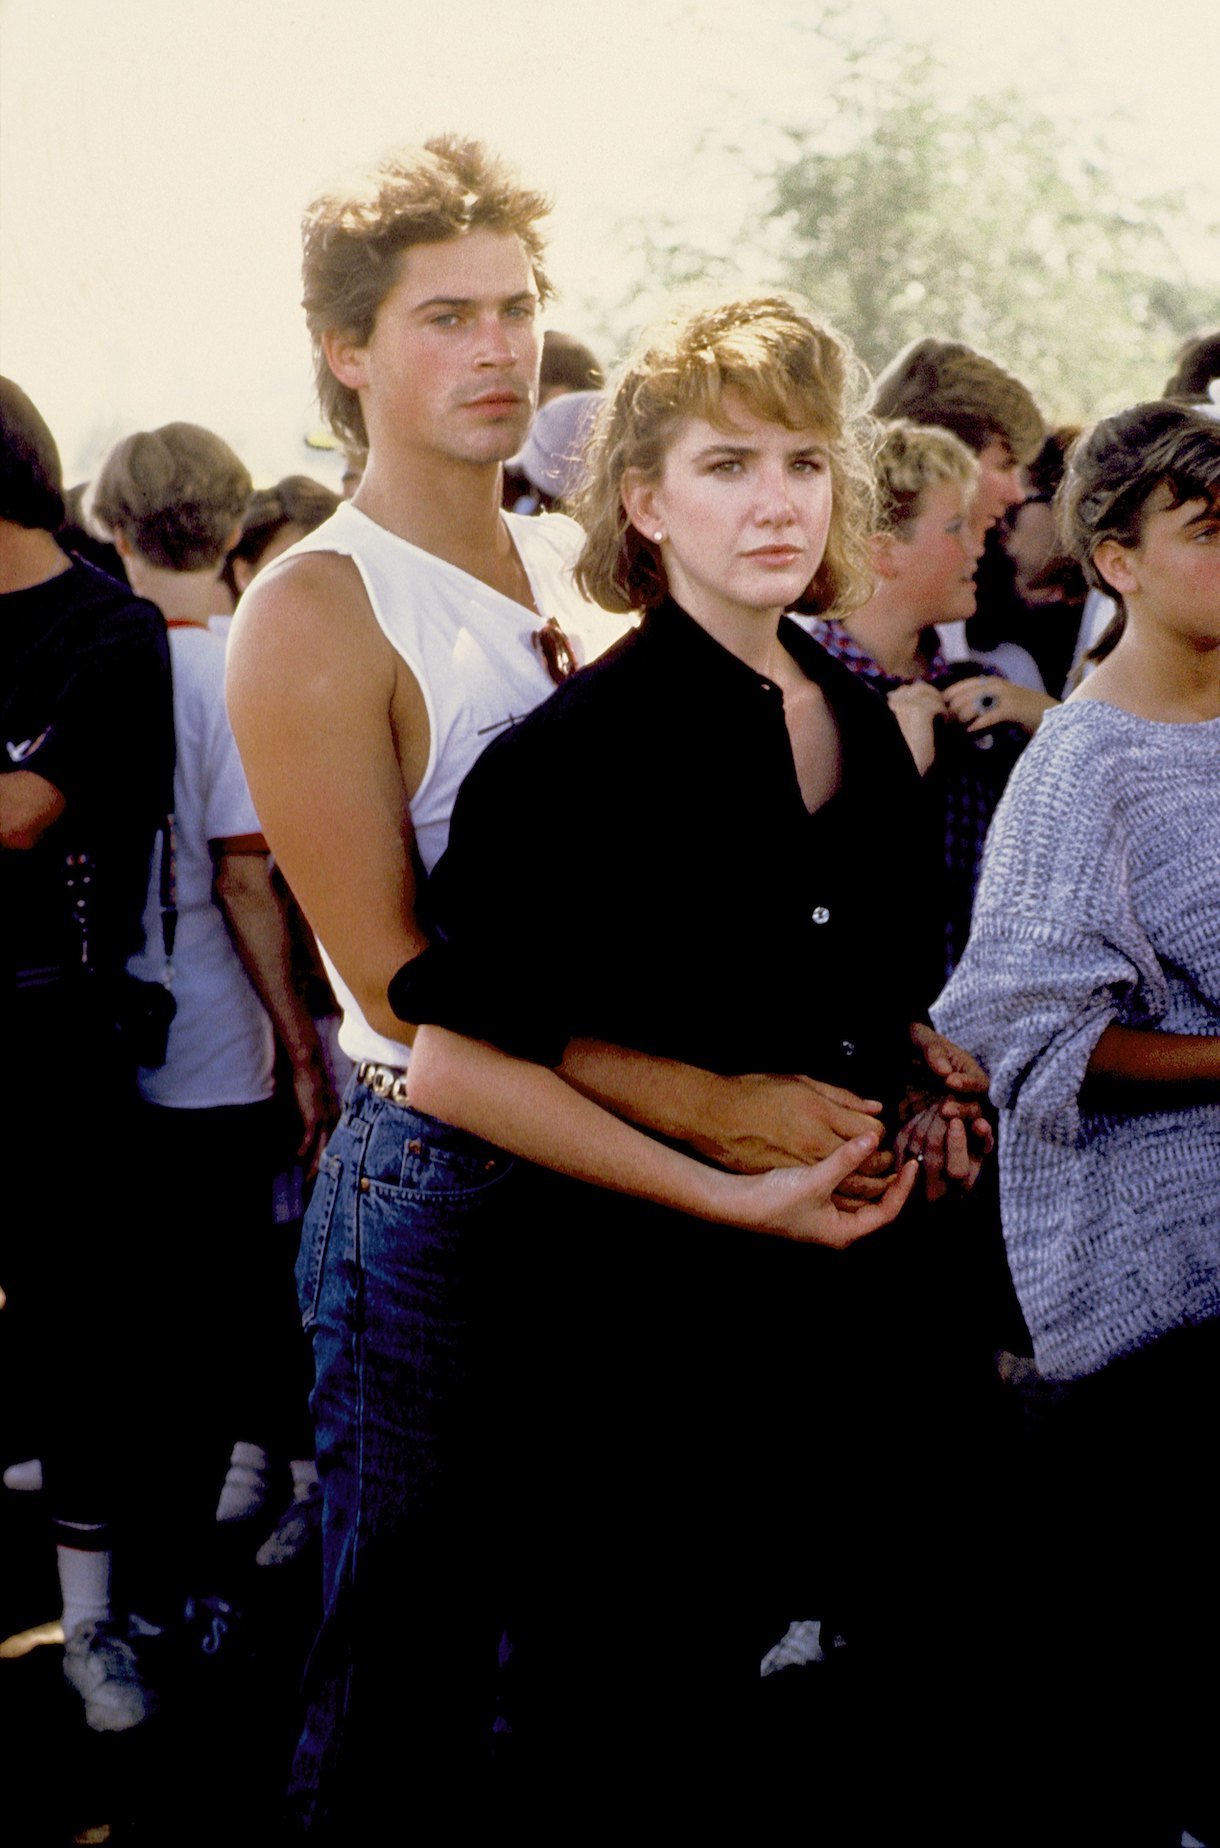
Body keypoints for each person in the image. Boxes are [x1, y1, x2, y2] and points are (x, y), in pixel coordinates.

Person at [226, 136, 986, 1833]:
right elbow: (415, 997)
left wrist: (896, 1046)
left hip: (641, 1220)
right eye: (443, 318)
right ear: (347, 351)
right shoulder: (318, 608)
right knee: (401, 1678)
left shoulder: (600, 569)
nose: (497, 351)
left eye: (518, 310)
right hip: (446, 1181)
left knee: (601, 1669)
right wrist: (714, 1111)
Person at [394, 294, 999, 1818]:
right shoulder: (566, 765)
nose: (780, 499)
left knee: (881, 1740)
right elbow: (459, 1056)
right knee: (637, 1752)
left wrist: (926, 1086)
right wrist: (725, 1180)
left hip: (864, 1328)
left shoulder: (866, 721)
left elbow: (857, 995)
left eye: (805, 460)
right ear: (646, 504)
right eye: (729, 464)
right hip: (636, 1351)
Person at [933, 400, 1220, 1843]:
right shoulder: (1082, 768)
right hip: (1171, 1291)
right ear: (1113, 556)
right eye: (1211, 532)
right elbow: (1029, 1039)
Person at [83, 421, 335, 1722]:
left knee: (131, 1339)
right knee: (211, 1330)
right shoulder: (233, 664)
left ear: (117, 526)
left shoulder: (93, 655)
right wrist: (305, 1048)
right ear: (234, 526)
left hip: (99, 1038)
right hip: (220, 1047)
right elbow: (249, 876)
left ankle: (120, 1605)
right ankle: (178, 1597)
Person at [0, 377, 174, 1727]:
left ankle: (95, 1630)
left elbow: (24, 813)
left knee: (78, 1343)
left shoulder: (109, 630)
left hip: (52, 1027)